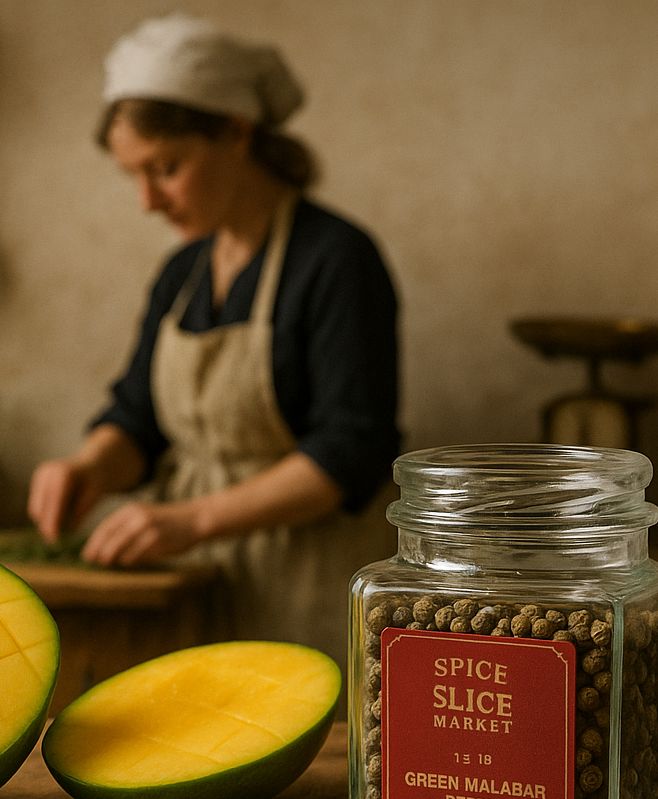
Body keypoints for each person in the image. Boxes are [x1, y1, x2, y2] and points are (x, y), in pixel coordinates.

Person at [27, 14, 400, 667]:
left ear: (235, 132)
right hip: (187, 584)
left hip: (304, 576)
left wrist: (192, 520)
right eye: (134, 176)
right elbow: (138, 420)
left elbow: (351, 452)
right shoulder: (183, 273)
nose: (148, 201)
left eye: (166, 168)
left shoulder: (337, 259)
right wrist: (90, 466)